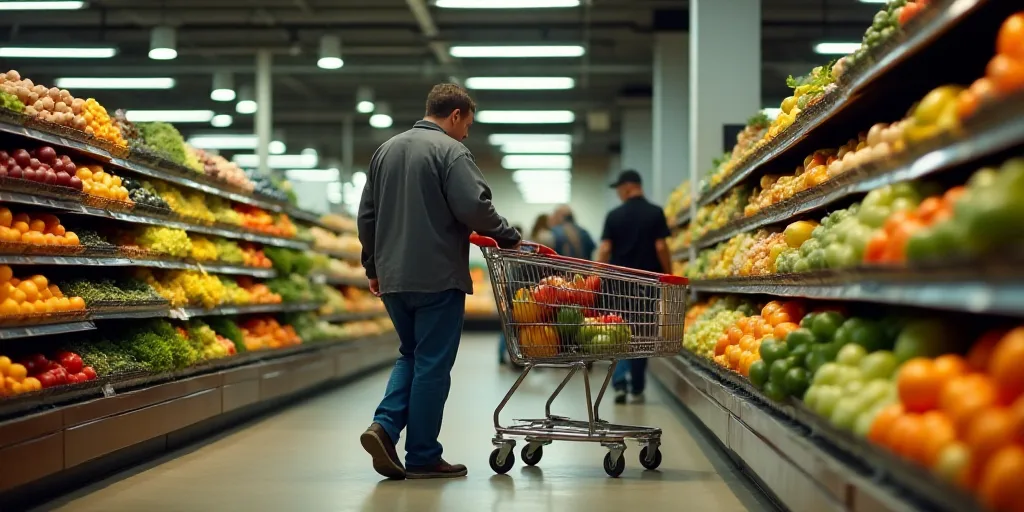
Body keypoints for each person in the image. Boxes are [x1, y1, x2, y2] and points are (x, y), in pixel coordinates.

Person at [357, 83, 521, 480]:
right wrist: (508, 236)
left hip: (394, 277)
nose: (467, 133)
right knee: (432, 365)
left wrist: (372, 268)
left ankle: (384, 426)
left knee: (411, 355)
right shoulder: (451, 151)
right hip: (437, 278)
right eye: (467, 124)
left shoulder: (386, 151)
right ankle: (423, 455)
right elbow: (473, 206)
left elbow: (367, 216)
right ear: (456, 115)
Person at [597, 169, 672, 404]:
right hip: (647, 284)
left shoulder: (614, 215)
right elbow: (660, 247)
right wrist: (669, 273)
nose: (618, 193)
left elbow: (606, 249)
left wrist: (596, 275)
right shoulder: (655, 213)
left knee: (618, 332)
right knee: (642, 333)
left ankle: (619, 382)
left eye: (619, 189)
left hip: (618, 284)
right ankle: (637, 386)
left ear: (628, 187)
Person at [498, 225, 524, 366]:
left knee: (508, 325)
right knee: (510, 325)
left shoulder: (504, 256)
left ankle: (502, 355)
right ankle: (512, 354)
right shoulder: (516, 258)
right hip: (515, 295)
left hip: (512, 293)